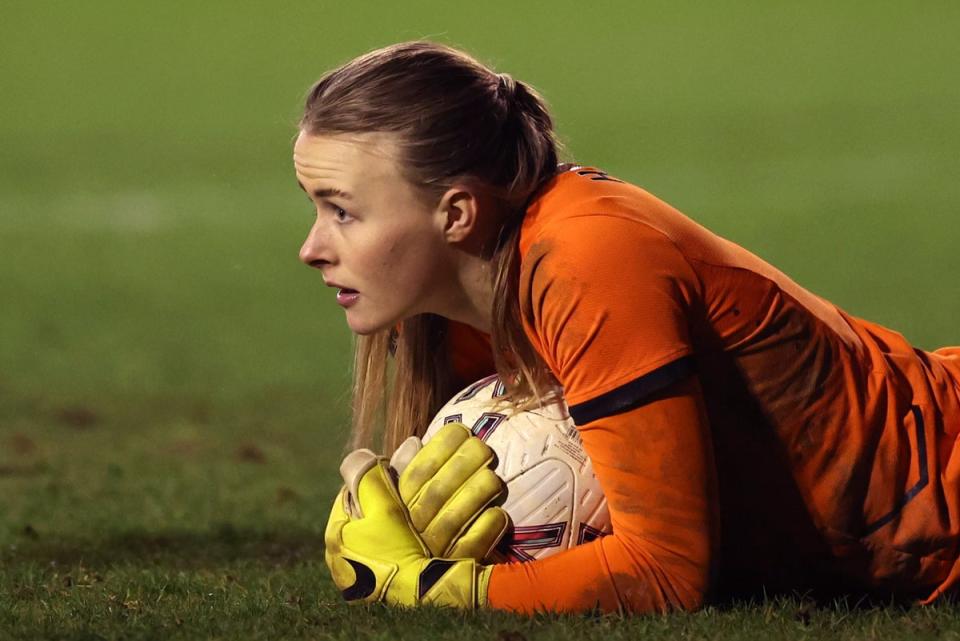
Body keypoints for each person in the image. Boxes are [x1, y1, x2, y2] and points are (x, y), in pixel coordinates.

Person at [296, 41, 960, 614]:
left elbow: (666, 568)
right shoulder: (457, 303)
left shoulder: (586, 259)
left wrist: (433, 585)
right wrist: (383, 519)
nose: (312, 247)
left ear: (458, 212)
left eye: (343, 212)